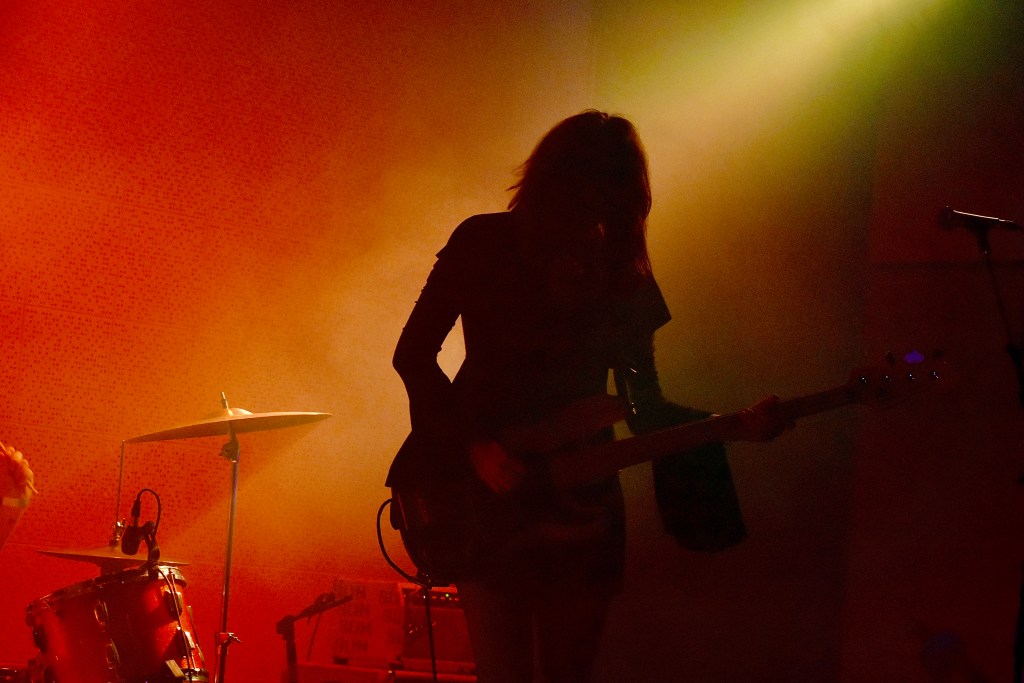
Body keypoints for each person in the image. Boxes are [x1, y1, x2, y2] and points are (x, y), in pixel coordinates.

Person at [387, 110, 790, 683]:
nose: (602, 205)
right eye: (593, 184)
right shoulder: (484, 241)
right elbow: (413, 355)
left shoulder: (623, 272)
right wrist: (474, 445)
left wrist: (733, 427)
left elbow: (644, 404)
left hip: (582, 499)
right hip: (484, 488)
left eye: (615, 190)